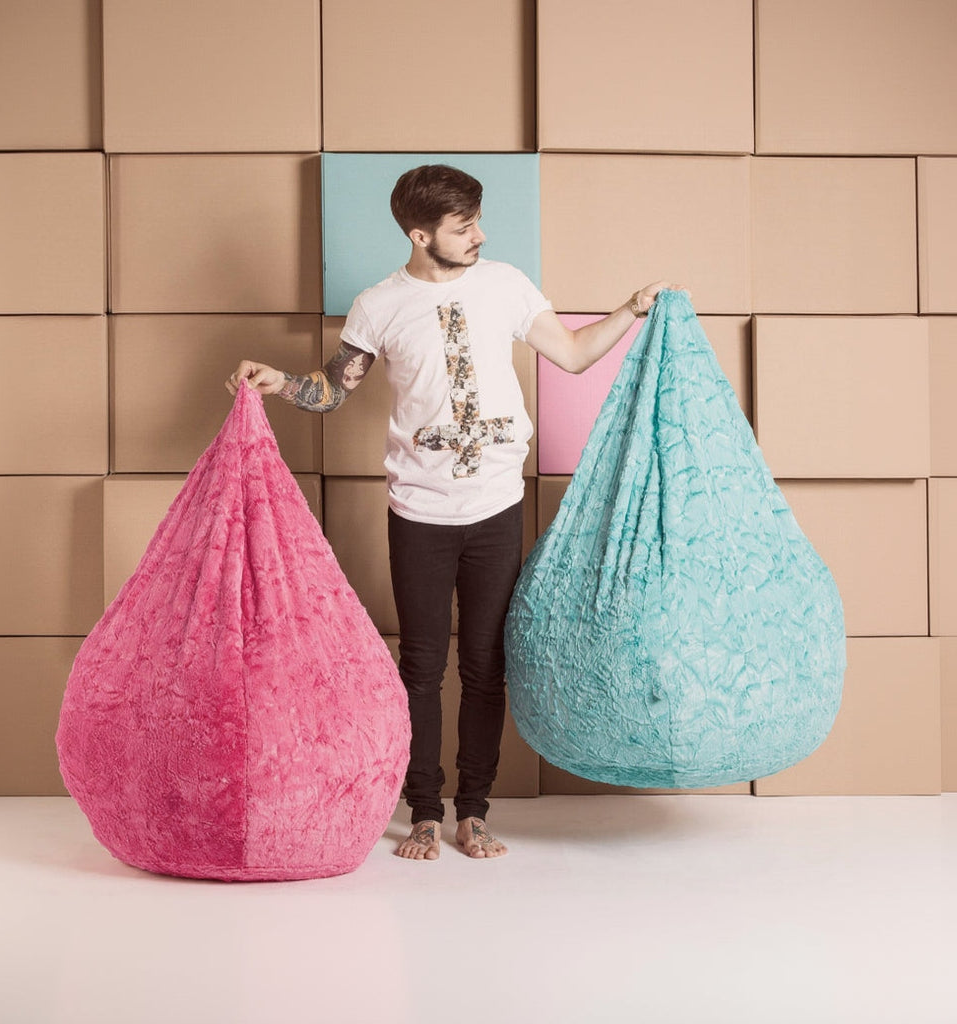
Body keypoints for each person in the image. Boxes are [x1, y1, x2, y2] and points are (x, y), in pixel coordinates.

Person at [227, 164, 682, 862]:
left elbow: (572, 355)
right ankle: (424, 813)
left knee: (483, 664)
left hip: (497, 506)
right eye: (462, 226)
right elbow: (331, 390)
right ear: (419, 233)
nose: (480, 235)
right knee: (420, 666)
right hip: (418, 511)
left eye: (476, 222)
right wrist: (279, 382)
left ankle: (473, 811)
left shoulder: (504, 284)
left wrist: (629, 309)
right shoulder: (379, 304)